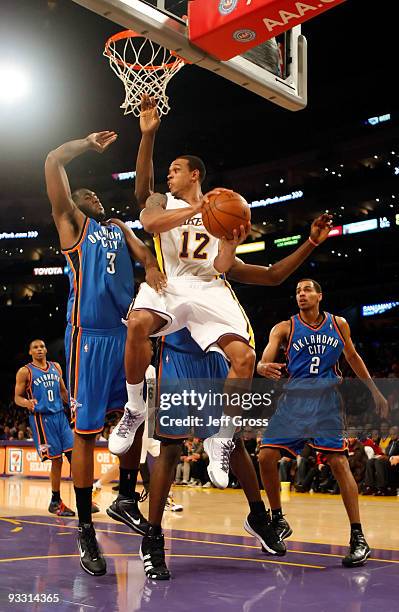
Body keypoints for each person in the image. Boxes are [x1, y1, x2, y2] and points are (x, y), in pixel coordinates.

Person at [109, 95, 333, 580]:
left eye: (177, 170)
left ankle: (258, 516)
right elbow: (144, 200)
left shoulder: (219, 221)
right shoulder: (162, 203)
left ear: (196, 174)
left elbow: (269, 275)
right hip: (178, 338)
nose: (169, 175)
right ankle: (153, 538)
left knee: (235, 442)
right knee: (168, 445)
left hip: (212, 320)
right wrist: (147, 133)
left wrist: (310, 242)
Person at [45, 132, 165, 576]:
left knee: (134, 414)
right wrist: (83, 144)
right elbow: (53, 159)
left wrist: (151, 265)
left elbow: (145, 256)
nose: (94, 195)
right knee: (87, 433)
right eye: (86, 194)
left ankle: (127, 497)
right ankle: (84, 528)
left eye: (95, 193)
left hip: (124, 335)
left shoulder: (115, 229)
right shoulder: (72, 225)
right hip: (89, 339)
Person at [257, 278, 389, 567]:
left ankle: (358, 537)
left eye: (306, 290)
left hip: (326, 402)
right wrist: (261, 366)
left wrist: (375, 391)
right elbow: (266, 357)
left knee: (338, 463)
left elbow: (352, 357)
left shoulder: (339, 324)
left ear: (319, 295)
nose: (301, 295)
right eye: (297, 292)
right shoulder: (284, 327)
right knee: (266, 455)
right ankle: (278, 519)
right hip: (293, 401)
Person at [14, 339, 75, 517]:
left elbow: (63, 391)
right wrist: (26, 403)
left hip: (60, 417)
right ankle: (55, 501)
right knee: (57, 460)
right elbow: (17, 397)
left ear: (46, 349)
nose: (39, 349)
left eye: (41, 346)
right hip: (42, 419)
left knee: (74, 456)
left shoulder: (56, 367)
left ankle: (84, 497)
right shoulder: (25, 371)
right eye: (35, 347)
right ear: (30, 352)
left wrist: (71, 403)